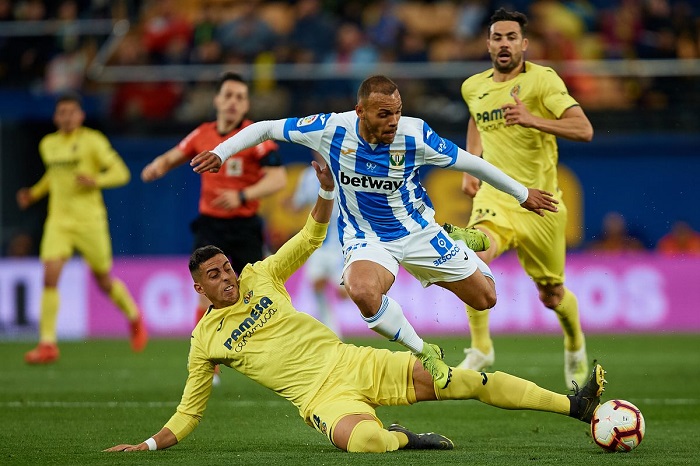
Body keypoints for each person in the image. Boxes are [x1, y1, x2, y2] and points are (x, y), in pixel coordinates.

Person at [104, 161, 607, 454]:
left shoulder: (260, 275)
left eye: (227, 268)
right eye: (214, 276)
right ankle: (405, 440)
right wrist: (148, 445)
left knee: (467, 381)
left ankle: (574, 406)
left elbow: (309, 237)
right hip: (320, 400)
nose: (227, 277)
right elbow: (189, 410)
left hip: (352, 361)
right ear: (200, 288)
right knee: (369, 443)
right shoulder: (205, 341)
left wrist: (327, 190)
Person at [190, 74, 559, 389]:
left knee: (486, 299)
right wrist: (222, 152)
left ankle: (457, 237)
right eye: (384, 114)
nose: (394, 120)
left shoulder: (415, 135)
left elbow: (472, 163)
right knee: (362, 291)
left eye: (397, 111)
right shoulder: (331, 129)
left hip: (419, 232)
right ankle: (424, 351)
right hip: (366, 239)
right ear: (360, 111)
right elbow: (266, 128)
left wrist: (523, 194)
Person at [448, 8, 594, 389]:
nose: (504, 44)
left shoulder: (543, 81)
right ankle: (481, 347)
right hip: (496, 197)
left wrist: (533, 119)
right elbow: (476, 118)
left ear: (524, 44)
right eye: (497, 37)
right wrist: (471, 163)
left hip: (542, 204)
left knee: (552, 295)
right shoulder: (473, 86)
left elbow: (584, 129)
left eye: (511, 37)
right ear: (488, 44)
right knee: (471, 255)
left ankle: (574, 343)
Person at [141, 72, 287, 384]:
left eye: (240, 97)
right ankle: (208, 363)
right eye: (229, 95)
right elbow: (174, 155)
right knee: (205, 293)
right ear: (217, 100)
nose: (233, 102)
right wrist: (157, 166)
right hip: (211, 226)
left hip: (245, 226)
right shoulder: (203, 134)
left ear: (246, 105)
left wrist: (242, 195)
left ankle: (266, 355)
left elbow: (278, 179)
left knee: (255, 293)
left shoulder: (255, 136)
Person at [16, 93, 147, 364]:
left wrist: (95, 180)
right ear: (55, 117)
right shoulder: (48, 144)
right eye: (61, 113)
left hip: (90, 221)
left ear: (81, 116)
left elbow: (121, 173)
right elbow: (54, 176)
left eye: (71, 112)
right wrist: (34, 193)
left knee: (103, 281)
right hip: (59, 221)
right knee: (50, 276)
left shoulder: (93, 141)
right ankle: (47, 344)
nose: (66, 117)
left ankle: (134, 317)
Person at [289, 151, 347, 337]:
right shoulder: (307, 176)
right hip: (317, 244)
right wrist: (289, 205)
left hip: (341, 243)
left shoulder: (344, 171)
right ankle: (333, 332)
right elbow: (298, 204)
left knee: (345, 293)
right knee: (317, 284)